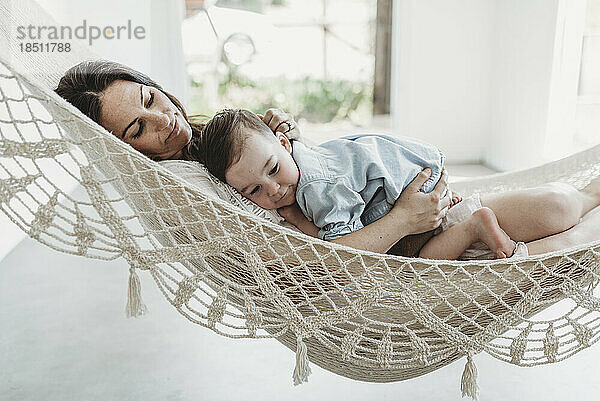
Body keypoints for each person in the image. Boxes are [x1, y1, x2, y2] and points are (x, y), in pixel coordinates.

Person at [55, 60, 600, 258]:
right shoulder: (189, 191)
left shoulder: (216, 142)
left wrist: (292, 139)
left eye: (150, 99)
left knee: (557, 209)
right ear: (123, 149)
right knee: (558, 230)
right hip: (396, 241)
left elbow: (318, 179)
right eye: (138, 127)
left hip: (395, 210)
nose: (164, 119)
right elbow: (315, 258)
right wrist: (404, 218)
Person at [191, 108, 600, 260]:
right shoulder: (304, 156)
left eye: (272, 170)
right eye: (254, 192)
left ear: (284, 143)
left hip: (421, 216)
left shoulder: (316, 190)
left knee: (560, 209)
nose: (274, 190)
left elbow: (344, 255)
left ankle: (589, 196)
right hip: (423, 194)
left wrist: (302, 222)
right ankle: (589, 196)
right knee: (563, 210)